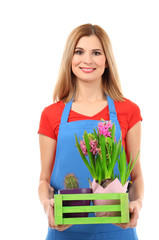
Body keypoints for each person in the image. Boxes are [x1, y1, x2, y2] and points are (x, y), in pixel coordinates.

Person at [38, 23, 144, 240]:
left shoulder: (128, 110)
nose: (87, 60)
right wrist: (47, 205)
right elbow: (44, 180)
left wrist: (136, 203)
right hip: (64, 230)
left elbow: (136, 175)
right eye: (79, 52)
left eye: (96, 52)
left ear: (106, 62)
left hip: (118, 229)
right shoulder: (51, 114)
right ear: (70, 59)